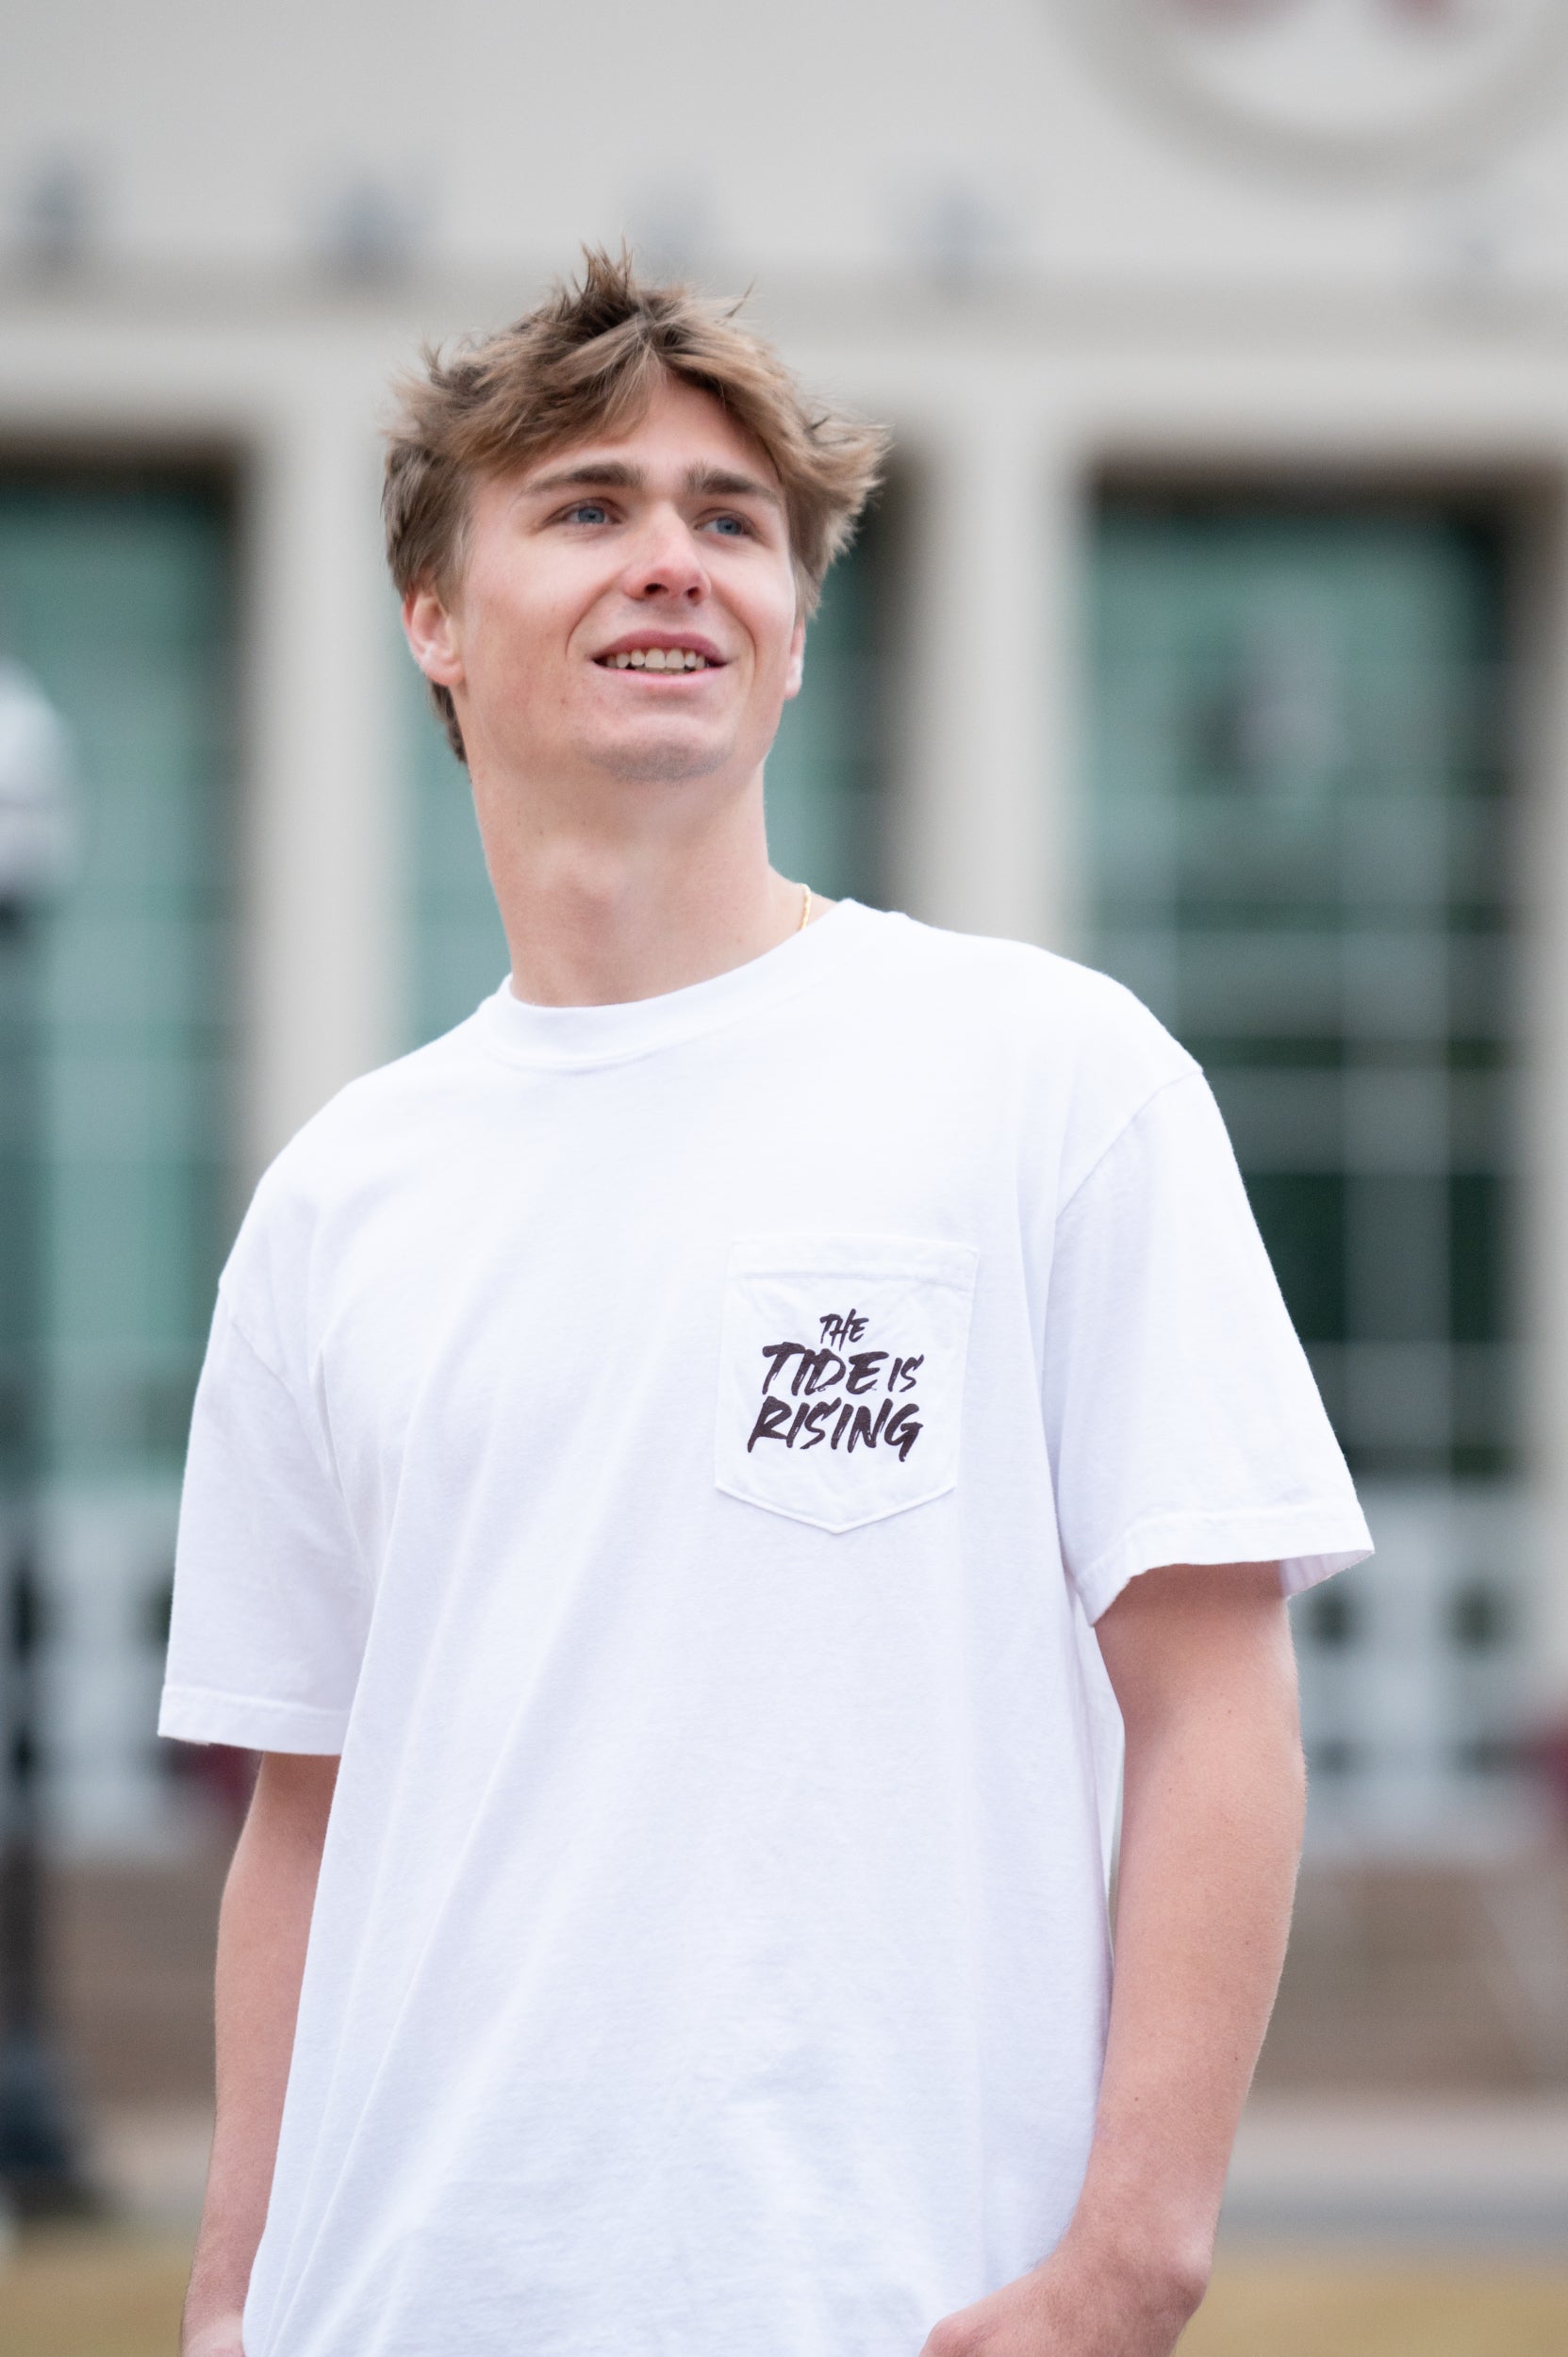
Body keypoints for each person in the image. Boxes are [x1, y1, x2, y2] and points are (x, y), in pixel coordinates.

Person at [161, 248, 1372, 2357]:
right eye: (587, 506)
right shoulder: (340, 1198)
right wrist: (228, 2303)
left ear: (796, 628)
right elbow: (308, 1817)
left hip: (872, 2302)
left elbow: (1217, 1704)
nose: (674, 560)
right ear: (433, 613)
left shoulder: (1049, 1082)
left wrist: (1132, 2255)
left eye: (731, 521)